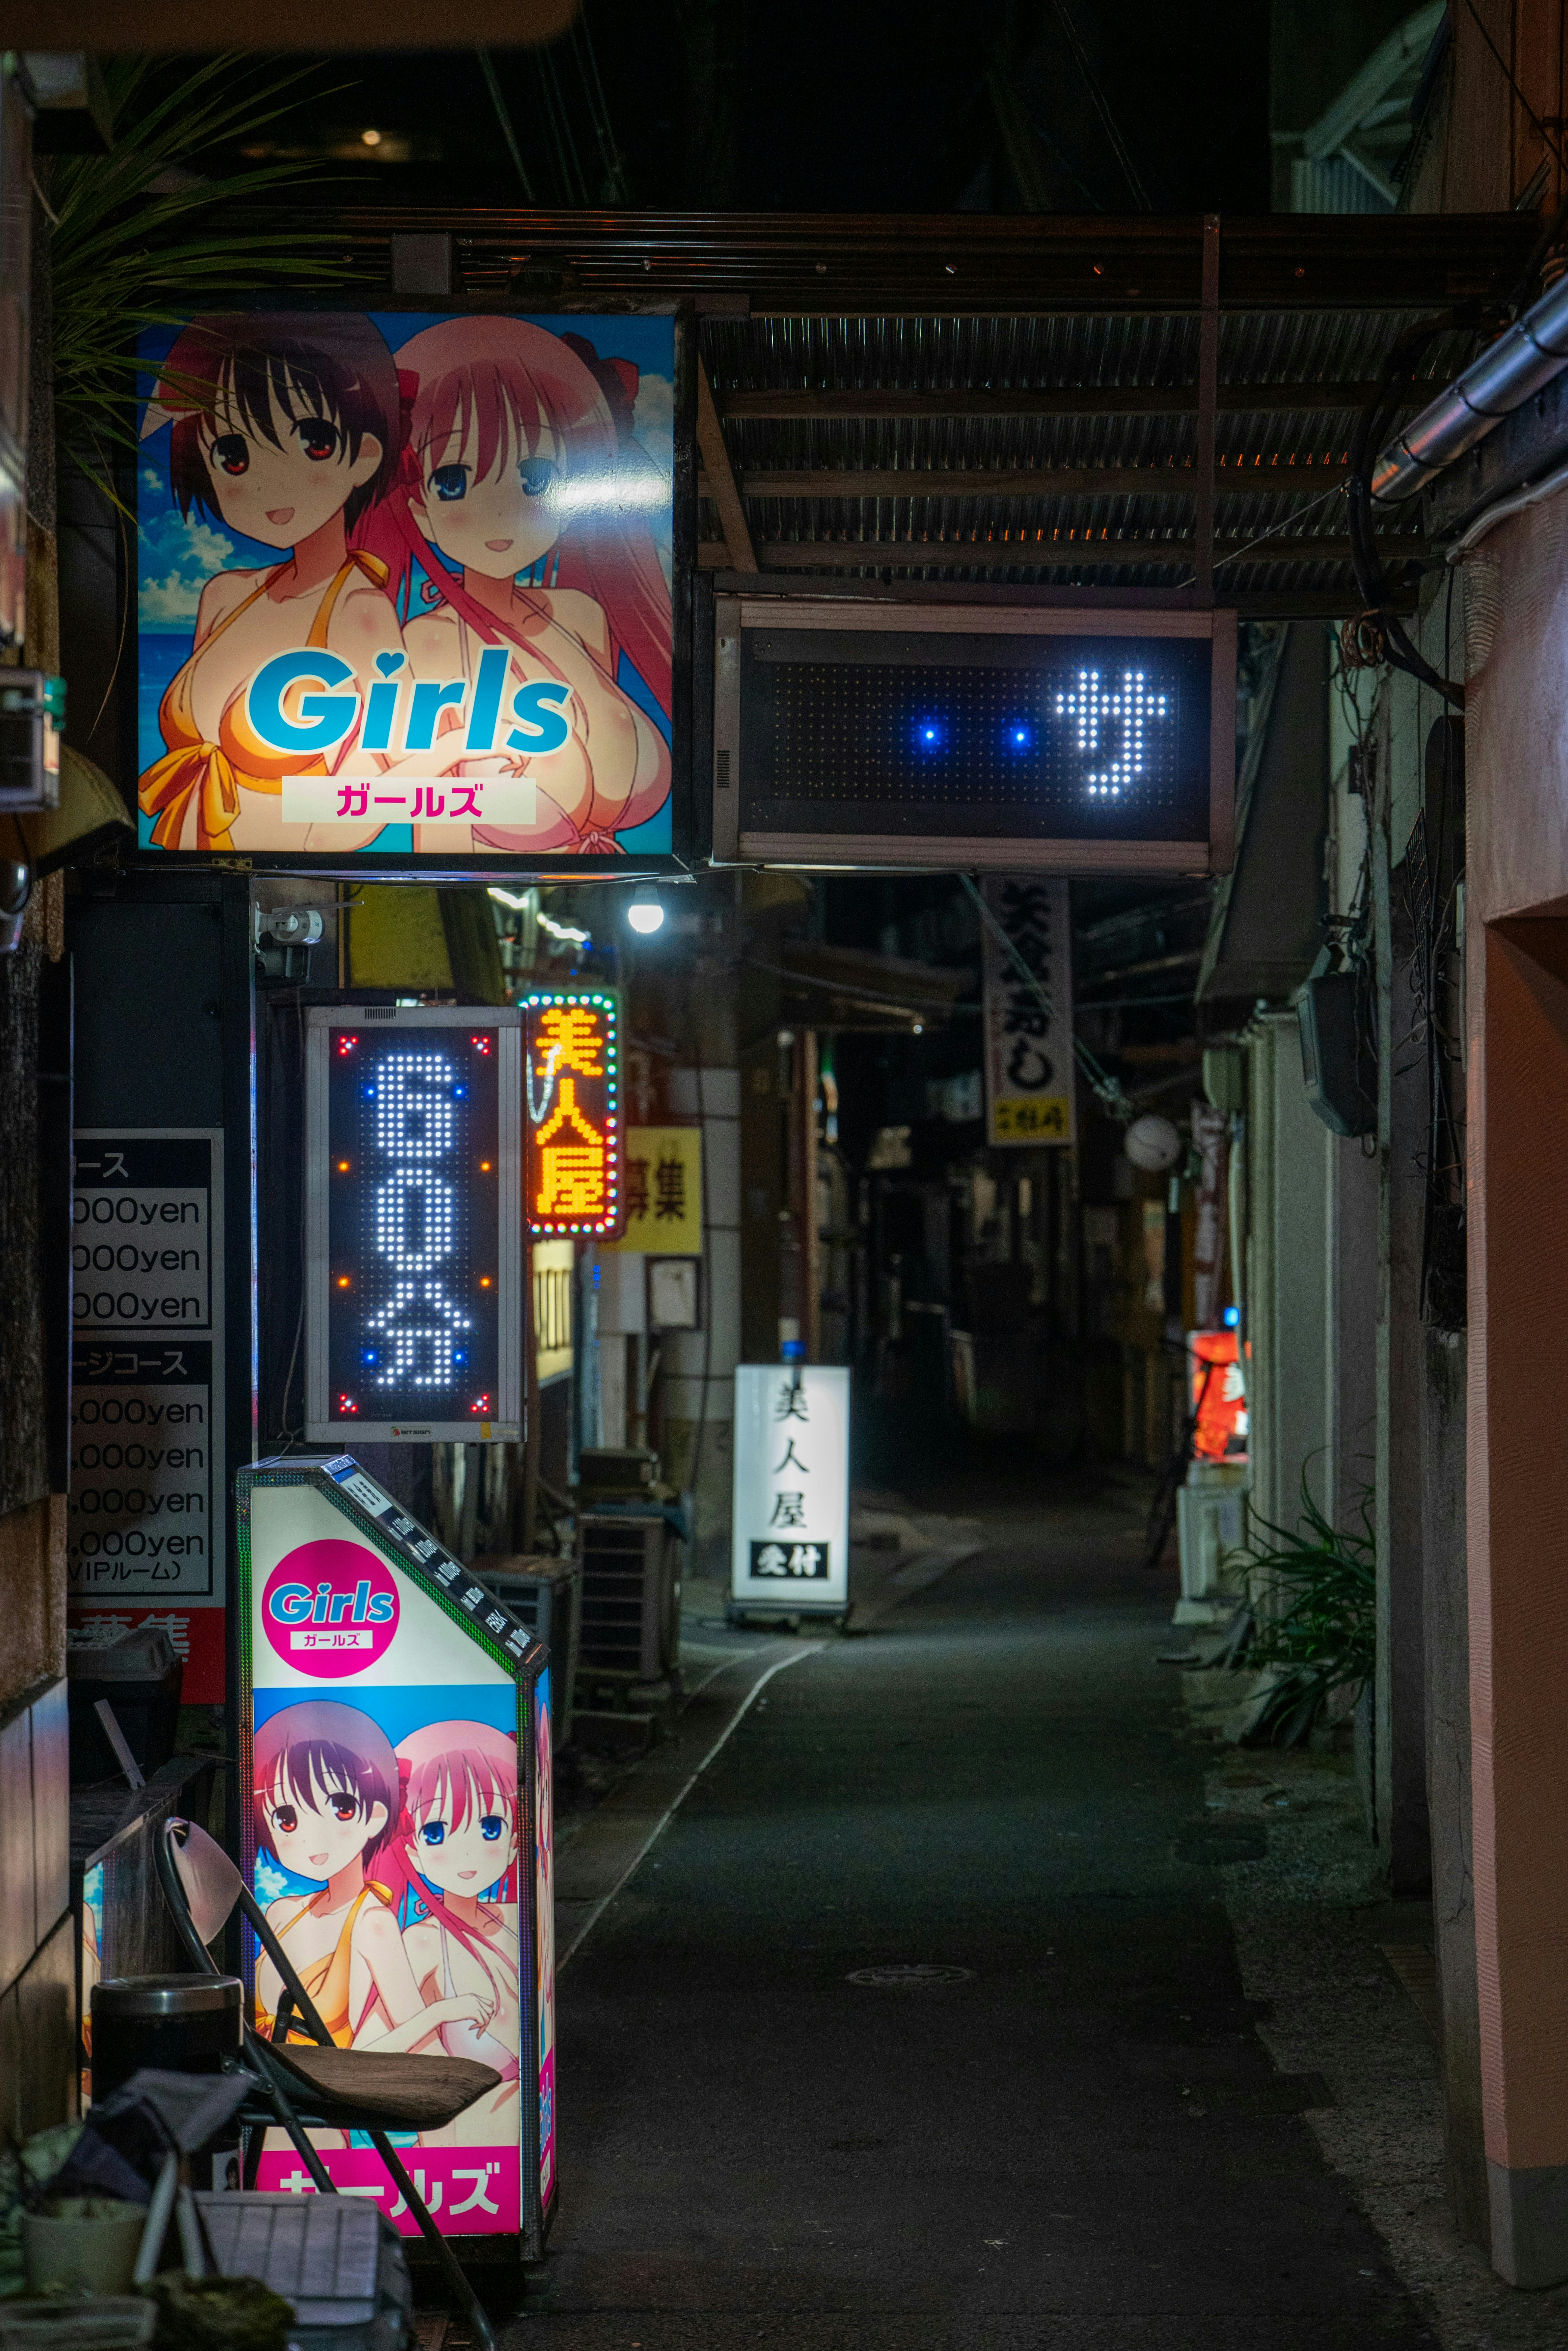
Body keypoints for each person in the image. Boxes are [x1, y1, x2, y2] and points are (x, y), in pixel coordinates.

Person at [355, 315, 672, 855]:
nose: (498, 508)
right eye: (452, 481)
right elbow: (435, 831)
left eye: (535, 478)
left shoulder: (581, 614)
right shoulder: (425, 644)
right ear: (419, 510)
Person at [138, 313, 406, 853]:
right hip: (186, 864)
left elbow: (381, 770)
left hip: (270, 872)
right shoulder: (226, 593)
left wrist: (305, 852)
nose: (269, 477)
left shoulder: (360, 609)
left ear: (366, 455)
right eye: (233, 455)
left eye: (314, 440)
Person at [251, 1700, 495, 2059]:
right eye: (287, 1818)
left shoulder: (372, 1922)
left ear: (376, 1815)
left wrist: (442, 2013)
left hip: (322, 2096)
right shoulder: (280, 1911)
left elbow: (401, 2045)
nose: (312, 1836)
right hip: (267, 2090)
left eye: (341, 1808)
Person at [388, 1720, 523, 2148]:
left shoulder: (515, 1919)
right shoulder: (421, 1941)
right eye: (436, 1832)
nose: (465, 1853)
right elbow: (373, 2051)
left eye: (488, 1828)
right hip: (466, 2132)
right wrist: (440, 2013)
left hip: (510, 2130)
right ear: (414, 1852)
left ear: (514, 1842)